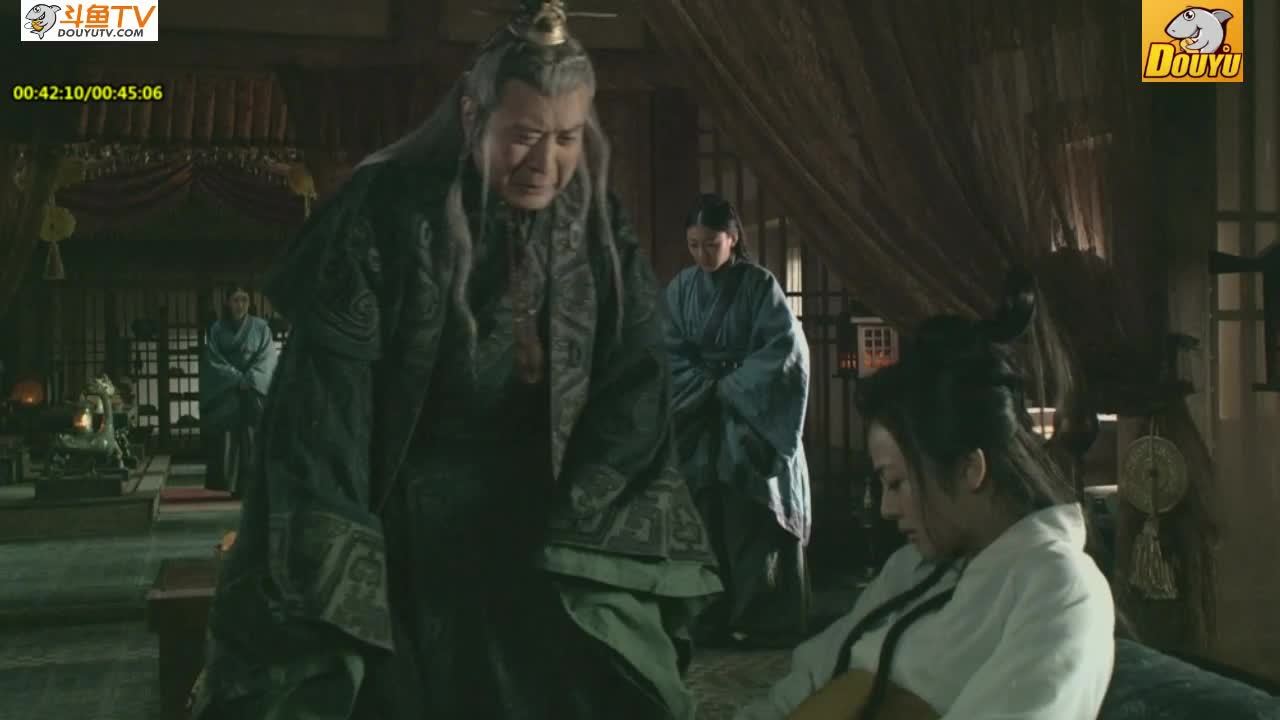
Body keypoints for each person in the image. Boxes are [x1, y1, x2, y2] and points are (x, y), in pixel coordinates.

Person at [191, 2, 720, 719]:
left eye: (567, 138)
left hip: (548, 529)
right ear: (473, 117)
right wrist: (339, 552)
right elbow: (325, 410)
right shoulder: (383, 214)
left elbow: (637, 379)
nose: (546, 163)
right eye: (524, 135)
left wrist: (584, 519)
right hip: (405, 533)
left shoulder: (598, 227)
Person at [735, 273, 1115, 720]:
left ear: (970, 469)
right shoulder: (910, 567)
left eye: (896, 483)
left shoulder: (1058, 586)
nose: (886, 508)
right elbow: (810, 676)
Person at [663, 192, 811, 647]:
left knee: (752, 514)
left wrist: (730, 386)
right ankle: (706, 616)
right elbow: (666, 350)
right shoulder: (680, 288)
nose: (702, 254)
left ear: (732, 239)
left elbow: (785, 350)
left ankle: (761, 618)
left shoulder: (760, 285)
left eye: (711, 244)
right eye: (693, 245)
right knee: (701, 515)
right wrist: (701, 385)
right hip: (698, 418)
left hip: (751, 419)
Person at [199, 285, 277, 496]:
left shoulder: (261, 327)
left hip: (253, 388)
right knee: (229, 436)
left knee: (253, 436)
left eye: (244, 299)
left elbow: (267, 357)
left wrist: (250, 378)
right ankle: (231, 485)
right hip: (228, 390)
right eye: (235, 300)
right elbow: (213, 359)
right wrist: (236, 378)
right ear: (227, 302)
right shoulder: (217, 329)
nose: (240, 304)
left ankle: (254, 487)